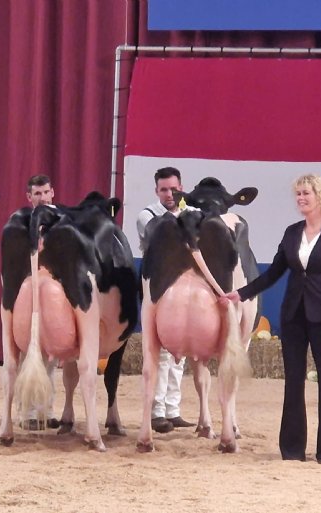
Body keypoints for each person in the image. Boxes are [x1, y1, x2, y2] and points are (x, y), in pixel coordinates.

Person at [222, 174, 321, 463]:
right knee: (293, 382)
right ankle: (292, 449)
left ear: (320, 196)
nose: (301, 198)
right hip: (294, 316)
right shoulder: (292, 232)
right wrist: (241, 293)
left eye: (306, 193)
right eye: (298, 194)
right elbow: (274, 272)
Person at [136, 166, 196, 434]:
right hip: (158, 288)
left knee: (180, 352)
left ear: (182, 187)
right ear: (156, 191)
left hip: (186, 288)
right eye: (164, 189)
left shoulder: (192, 212)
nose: (169, 194)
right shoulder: (147, 216)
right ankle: (157, 411)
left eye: (174, 188)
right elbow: (161, 236)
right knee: (159, 352)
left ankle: (173, 409)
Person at [22, 174, 60, 430]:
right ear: (29, 197)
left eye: (45, 192)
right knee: (29, 352)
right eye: (37, 193)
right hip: (29, 291)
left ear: (53, 193)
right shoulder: (21, 222)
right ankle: (30, 414)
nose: (42, 197)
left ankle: (46, 410)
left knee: (52, 354)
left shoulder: (62, 220)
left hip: (55, 293)